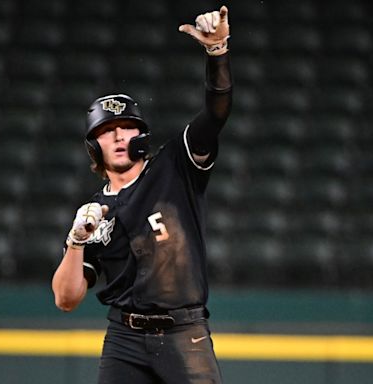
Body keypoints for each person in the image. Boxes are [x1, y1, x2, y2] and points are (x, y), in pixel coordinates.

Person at [52, 6, 232, 384]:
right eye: (107, 129)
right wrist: (75, 241)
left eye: (128, 127)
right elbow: (66, 299)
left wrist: (217, 53)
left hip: (185, 333)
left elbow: (215, 114)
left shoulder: (173, 167)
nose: (119, 136)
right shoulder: (94, 215)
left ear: (142, 137)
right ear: (93, 146)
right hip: (124, 339)